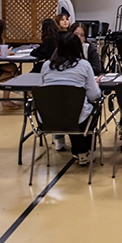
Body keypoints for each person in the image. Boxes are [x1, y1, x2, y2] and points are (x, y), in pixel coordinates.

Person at [39, 33, 101, 166]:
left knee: (66, 107)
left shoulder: (46, 66)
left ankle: (78, 149)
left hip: (49, 119)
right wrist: (96, 85)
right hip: (77, 117)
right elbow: (94, 95)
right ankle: (85, 150)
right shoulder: (84, 65)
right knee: (91, 107)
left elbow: (44, 90)